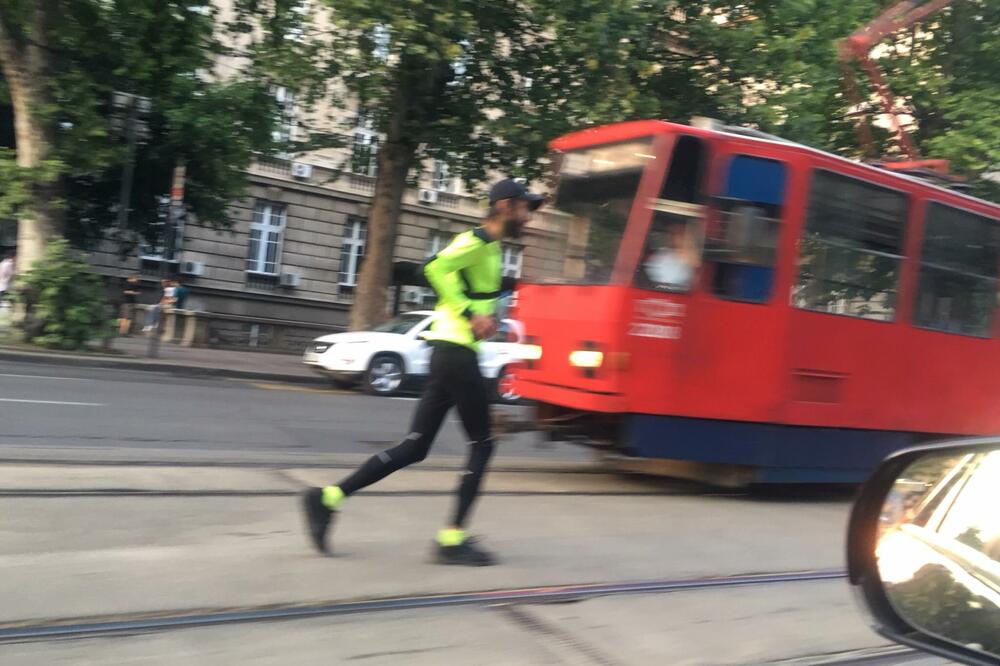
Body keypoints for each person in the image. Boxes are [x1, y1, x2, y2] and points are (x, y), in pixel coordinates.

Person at [301, 178, 544, 566]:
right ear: (506, 206)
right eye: (527, 207)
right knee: (482, 445)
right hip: (457, 352)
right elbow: (435, 267)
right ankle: (452, 539)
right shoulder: (476, 241)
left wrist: (493, 305)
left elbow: (467, 285)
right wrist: (469, 313)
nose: (530, 216)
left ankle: (327, 498)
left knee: (415, 446)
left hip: (447, 353)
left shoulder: (493, 248)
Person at [642, 221, 700, 291]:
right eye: (679, 235)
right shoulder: (660, 257)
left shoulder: (695, 259)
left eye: (685, 235)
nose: (683, 239)